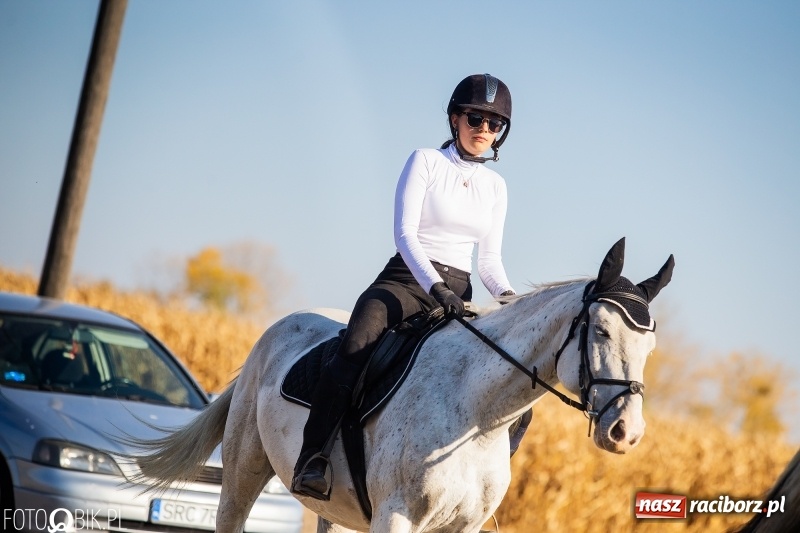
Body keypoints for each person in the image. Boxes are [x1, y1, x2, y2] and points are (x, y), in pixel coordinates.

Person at [291, 73, 517, 499]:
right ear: (455, 119)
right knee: (355, 347)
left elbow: (488, 261)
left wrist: (512, 302)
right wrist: (436, 288)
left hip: (458, 295)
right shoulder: (425, 161)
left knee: (501, 371)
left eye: (494, 123)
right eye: (475, 118)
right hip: (405, 282)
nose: (484, 129)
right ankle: (313, 458)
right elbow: (405, 234)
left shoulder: (496, 187)